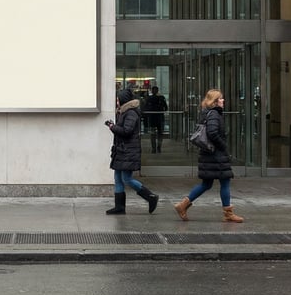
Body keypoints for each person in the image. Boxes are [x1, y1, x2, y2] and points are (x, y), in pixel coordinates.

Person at [173, 89, 244, 223]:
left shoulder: (207, 113)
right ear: (215, 101)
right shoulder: (214, 114)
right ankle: (228, 213)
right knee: (225, 181)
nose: (223, 100)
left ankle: (183, 205)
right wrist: (222, 146)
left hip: (209, 154)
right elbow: (212, 132)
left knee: (206, 183)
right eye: (221, 98)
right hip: (216, 155)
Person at [104, 88, 159, 215]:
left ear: (123, 100)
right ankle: (119, 207)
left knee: (126, 178)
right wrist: (113, 126)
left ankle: (150, 196)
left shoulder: (131, 113)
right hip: (121, 150)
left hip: (128, 151)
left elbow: (126, 131)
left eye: (118, 100)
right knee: (118, 178)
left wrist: (112, 127)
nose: (116, 102)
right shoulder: (123, 112)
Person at [145, 86, 168, 154]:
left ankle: (154, 148)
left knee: (153, 134)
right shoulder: (161, 98)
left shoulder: (149, 98)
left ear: (152, 91)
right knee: (160, 134)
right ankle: (159, 147)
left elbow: (146, 107)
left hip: (152, 118)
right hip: (160, 118)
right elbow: (166, 108)